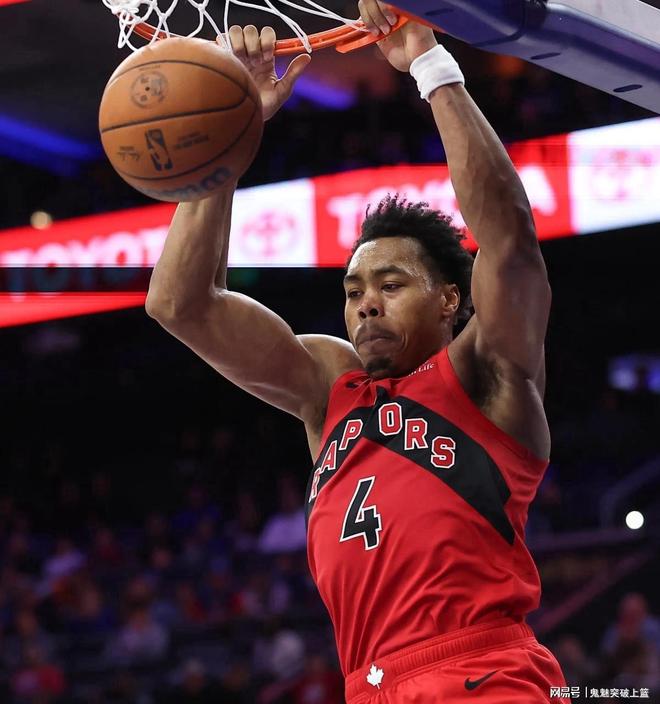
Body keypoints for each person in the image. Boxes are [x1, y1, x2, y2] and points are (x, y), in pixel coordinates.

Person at [146, 3, 568, 701]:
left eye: (390, 285)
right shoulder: (330, 388)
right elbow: (179, 304)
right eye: (353, 290)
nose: (366, 303)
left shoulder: (486, 371)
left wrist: (428, 61)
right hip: (368, 685)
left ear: (450, 301)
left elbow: (511, 240)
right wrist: (231, 135)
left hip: (482, 671)